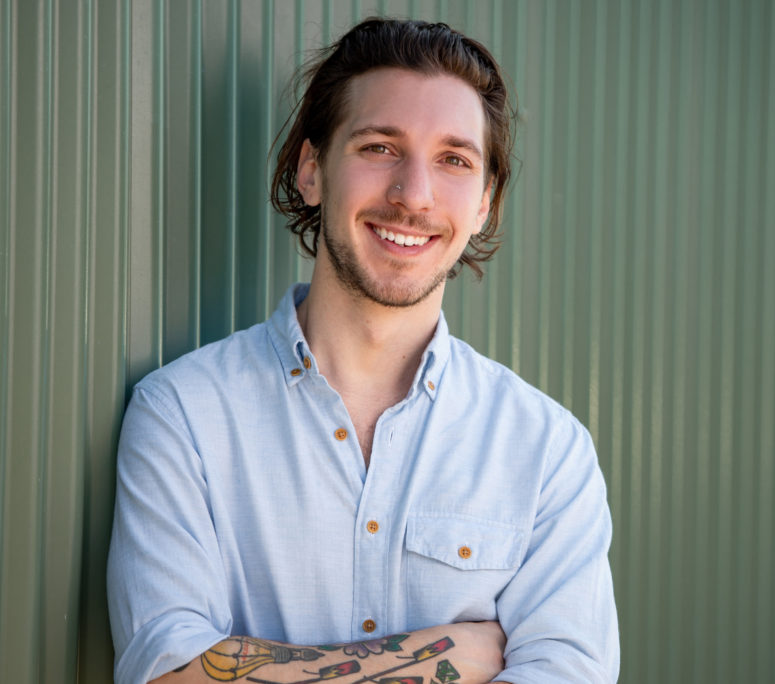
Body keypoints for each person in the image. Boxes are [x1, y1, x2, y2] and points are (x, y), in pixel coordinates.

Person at [108, 17, 618, 684]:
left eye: (454, 160)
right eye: (380, 148)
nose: (414, 195)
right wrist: (446, 658)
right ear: (313, 170)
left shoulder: (548, 453)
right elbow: (165, 673)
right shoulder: (183, 418)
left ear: (486, 202)